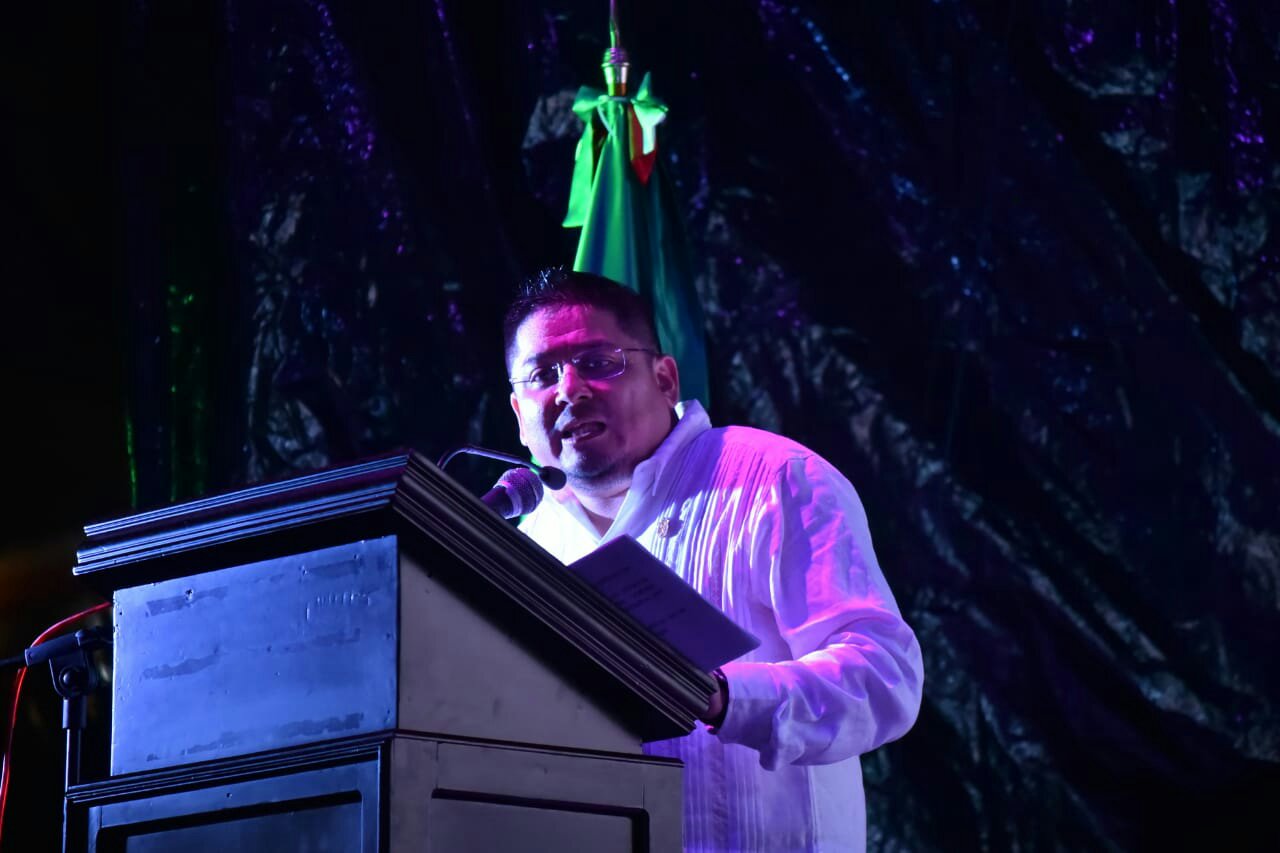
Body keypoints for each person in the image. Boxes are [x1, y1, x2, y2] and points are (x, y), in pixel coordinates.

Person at [505, 268, 924, 853]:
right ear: (519, 414)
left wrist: (723, 698)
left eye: (598, 362)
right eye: (543, 375)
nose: (569, 390)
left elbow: (884, 677)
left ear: (665, 379)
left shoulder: (771, 479)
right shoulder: (523, 545)